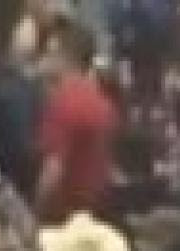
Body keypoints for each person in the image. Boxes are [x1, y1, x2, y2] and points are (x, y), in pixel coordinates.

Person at [36, 22, 119, 220]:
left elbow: (53, 170)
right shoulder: (104, 104)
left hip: (63, 214)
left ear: (63, 57)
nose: (44, 59)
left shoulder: (64, 101)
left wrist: (36, 211)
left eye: (49, 53)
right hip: (92, 212)